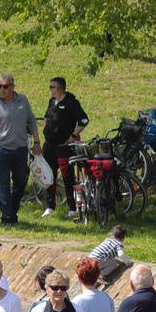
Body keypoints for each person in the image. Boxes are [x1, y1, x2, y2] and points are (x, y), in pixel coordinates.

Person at [0, 73, 39, 225]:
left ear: (13, 86)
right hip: (2, 149)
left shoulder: (23, 100)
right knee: (3, 184)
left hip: (20, 149)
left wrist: (37, 142)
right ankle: (7, 216)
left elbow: (31, 121)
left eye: (5, 86)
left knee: (20, 182)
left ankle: (12, 210)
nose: (2, 89)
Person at [37, 76, 89, 216]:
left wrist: (73, 136)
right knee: (49, 175)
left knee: (67, 176)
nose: (50, 90)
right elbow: (47, 117)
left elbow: (84, 120)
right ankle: (50, 206)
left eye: (52, 87)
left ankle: (72, 207)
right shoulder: (52, 102)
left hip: (63, 146)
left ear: (59, 88)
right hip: (49, 144)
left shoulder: (71, 102)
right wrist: (46, 127)